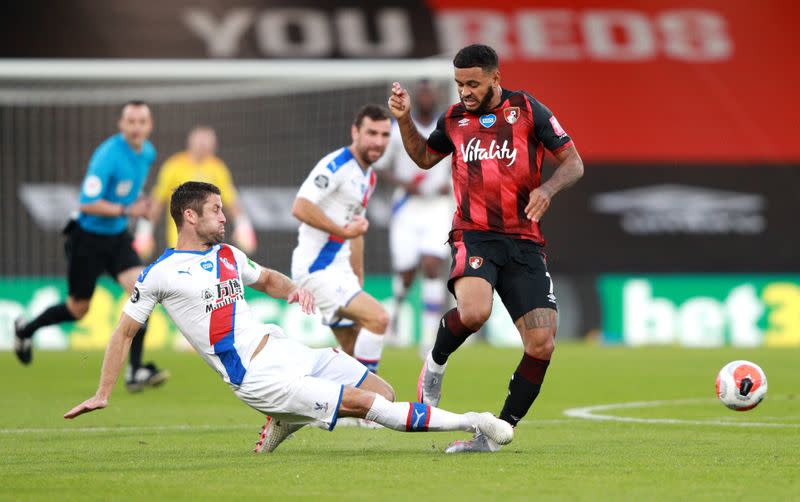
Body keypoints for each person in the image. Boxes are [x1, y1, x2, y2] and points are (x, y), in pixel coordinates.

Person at [63, 181, 514, 454]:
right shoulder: (159, 273)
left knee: (381, 389)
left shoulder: (227, 254)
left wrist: (295, 290)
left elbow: (266, 279)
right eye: (216, 210)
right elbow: (124, 333)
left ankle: (290, 419)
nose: (225, 217)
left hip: (284, 348)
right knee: (372, 409)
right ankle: (475, 421)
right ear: (189, 215)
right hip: (258, 378)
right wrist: (103, 392)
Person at [388, 44, 584, 453]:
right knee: (475, 312)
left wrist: (548, 188)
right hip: (474, 234)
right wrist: (405, 119)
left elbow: (573, 163)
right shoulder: (455, 118)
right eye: (459, 84)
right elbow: (424, 157)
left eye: (473, 83)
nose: (465, 92)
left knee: (542, 344)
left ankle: (494, 433)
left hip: (525, 241)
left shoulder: (527, 110)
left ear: (496, 77)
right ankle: (435, 363)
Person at [13, 100, 169, 392]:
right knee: (78, 309)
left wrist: (140, 206)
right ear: (121, 125)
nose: (136, 127)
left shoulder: (147, 153)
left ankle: (135, 371)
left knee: (143, 290)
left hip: (117, 237)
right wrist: (129, 210)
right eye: (131, 121)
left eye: (142, 121)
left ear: (150, 125)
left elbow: (130, 191)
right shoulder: (107, 156)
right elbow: (88, 203)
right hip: (87, 238)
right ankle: (25, 330)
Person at [290, 105, 392, 374]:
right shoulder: (336, 165)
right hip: (317, 268)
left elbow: (355, 229)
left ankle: (305, 407)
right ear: (355, 131)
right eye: (371, 133)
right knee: (378, 318)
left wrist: (357, 274)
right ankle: (372, 406)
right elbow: (300, 207)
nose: (378, 142)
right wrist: (344, 231)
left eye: (384, 135)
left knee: (352, 352)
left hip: (341, 269)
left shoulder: (368, 177)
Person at [373, 80, 452, 355]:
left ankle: (430, 338)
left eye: (431, 93)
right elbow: (380, 166)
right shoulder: (397, 131)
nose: (427, 97)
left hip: (438, 207)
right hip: (407, 207)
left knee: (432, 265)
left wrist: (450, 186)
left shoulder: (449, 127)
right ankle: (391, 319)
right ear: (417, 99)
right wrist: (404, 184)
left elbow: (462, 163)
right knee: (406, 273)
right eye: (423, 94)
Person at [133, 125, 256, 259]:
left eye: (207, 143)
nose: (203, 146)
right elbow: (157, 202)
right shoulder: (174, 166)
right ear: (190, 143)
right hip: (181, 242)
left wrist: (243, 226)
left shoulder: (218, 169)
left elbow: (231, 202)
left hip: (211, 242)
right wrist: (144, 232)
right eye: (200, 142)